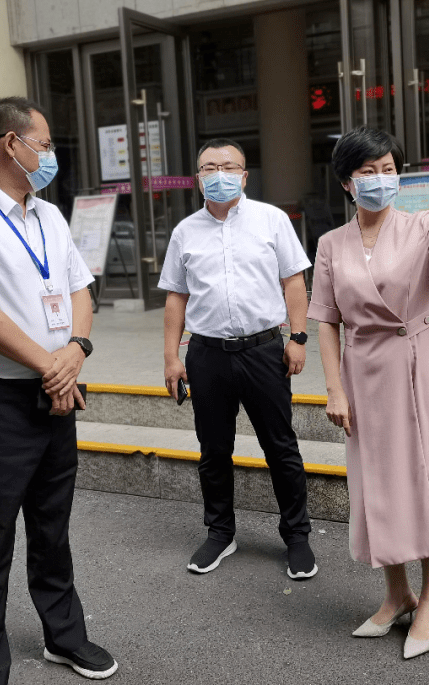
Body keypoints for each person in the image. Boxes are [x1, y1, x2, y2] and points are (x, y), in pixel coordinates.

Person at [0, 97, 117, 683]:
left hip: (57, 395)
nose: (51, 154)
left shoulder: (49, 216)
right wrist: (49, 366)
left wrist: (75, 352)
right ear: (13, 143)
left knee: (52, 529)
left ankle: (64, 636)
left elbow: (81, 288)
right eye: (47, 143)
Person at [307, 127, 429, 660]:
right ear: (346, 183)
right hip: (363, 372)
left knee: (425, 477)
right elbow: (326, 321)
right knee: (377, 484)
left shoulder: (422, 226)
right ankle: (395, 593)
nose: (381, 180)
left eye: (388, 169)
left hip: (414, 363)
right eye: (368, 172)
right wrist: (334, 389)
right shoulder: (331, 244)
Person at [160, 139, 317, 579]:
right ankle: (220, 532)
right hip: (206, 354)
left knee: (281, 448)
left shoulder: (272, 220)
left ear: (245, 175)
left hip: (265, 351)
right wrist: (172, 357)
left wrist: (299, 338)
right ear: (197, 178)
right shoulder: (185, 232)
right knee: (213, 451)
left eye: (229, 166)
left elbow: (294, 281)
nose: (219, 173)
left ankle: (297, 536)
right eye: (209, 167)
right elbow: (176, 297)